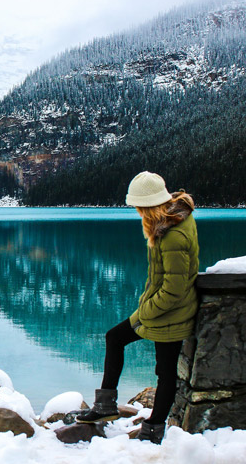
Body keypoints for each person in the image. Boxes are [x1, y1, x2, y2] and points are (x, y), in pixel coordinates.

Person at [76, 171, 199, 444]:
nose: (136, 212)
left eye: (138, 207)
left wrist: (145, 312)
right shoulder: (169, 222)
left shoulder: (173, 235)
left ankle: (153, 429)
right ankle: (106, 405)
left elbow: (174, 289)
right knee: (115, 337)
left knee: (165, 373)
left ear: (149, 205)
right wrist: (146, 307)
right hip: (158, 309)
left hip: (171, 313)